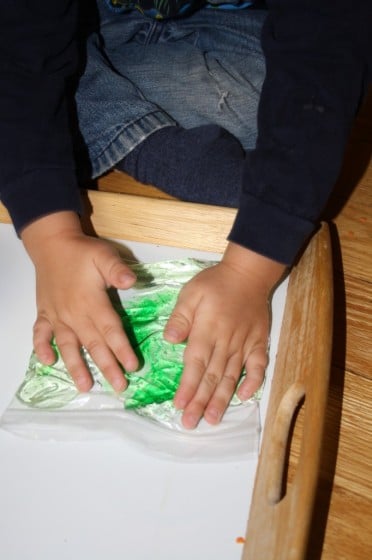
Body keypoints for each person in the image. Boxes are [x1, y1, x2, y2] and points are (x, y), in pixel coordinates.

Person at [0, 1, 370, 429]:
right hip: (91, 21)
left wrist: (250, 270)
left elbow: (323, 59)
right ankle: (146, 142)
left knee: (284, 115)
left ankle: (125, 133)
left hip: (233, 24)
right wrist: (50, 237)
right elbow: (20, 54)